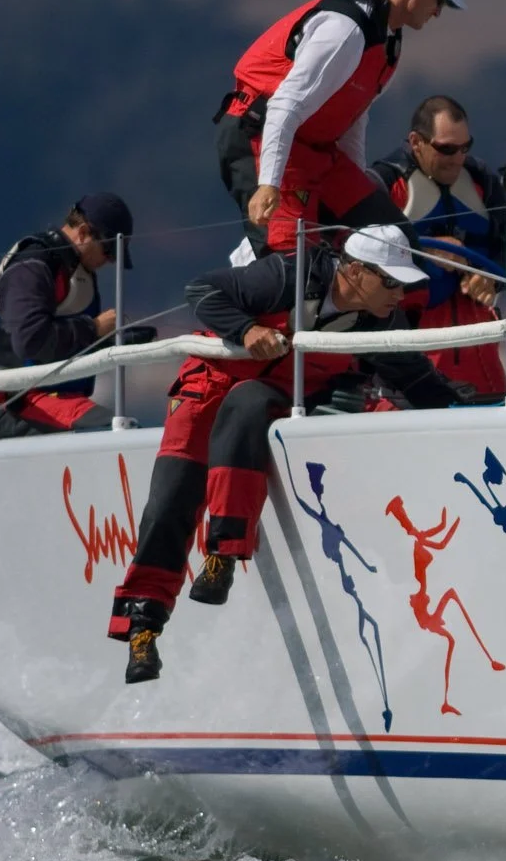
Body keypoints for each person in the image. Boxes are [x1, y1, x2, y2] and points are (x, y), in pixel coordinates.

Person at [105, 225, 458, 685]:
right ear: (354, 272)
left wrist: (467, 411)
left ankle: (224, 555)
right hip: (209, 388)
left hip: (266, 398)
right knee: (169, 502)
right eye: (390, 281)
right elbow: (202, 290)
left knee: (249, 402)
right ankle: (142, 631)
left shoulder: (376, 321)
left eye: (403, 283)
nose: (399, 293)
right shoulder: (286, 275)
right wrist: (248, 329)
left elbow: (417, 379)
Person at [214, 0, 461, 255]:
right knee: (291, 259)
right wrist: (268, 185)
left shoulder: (388, 39)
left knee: (393, 244)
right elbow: (284, 104)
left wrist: (356, 185)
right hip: (263, 135)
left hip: (314, 151)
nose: (438, 12)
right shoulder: (347, 29)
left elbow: (353, 118)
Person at [371, 95, 506, 397]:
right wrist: (422, 251)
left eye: (465, 147)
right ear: (416, 141)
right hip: (411, 372)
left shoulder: (481, 180)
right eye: (446, 148)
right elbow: (356, 261)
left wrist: (490, 276)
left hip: (484, 367)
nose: (457, 157)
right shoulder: (384, 183)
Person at [0, 192, 139, 438]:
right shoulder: (33, 265)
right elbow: (30, 341)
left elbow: (63, 341)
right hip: (14, 400)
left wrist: (115, 339)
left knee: (118, 426)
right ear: (83, 232)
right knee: (107, 430)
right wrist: (93, 328)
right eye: (108, 250)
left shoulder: (74, 268)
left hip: (47, 395)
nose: (111, 261)